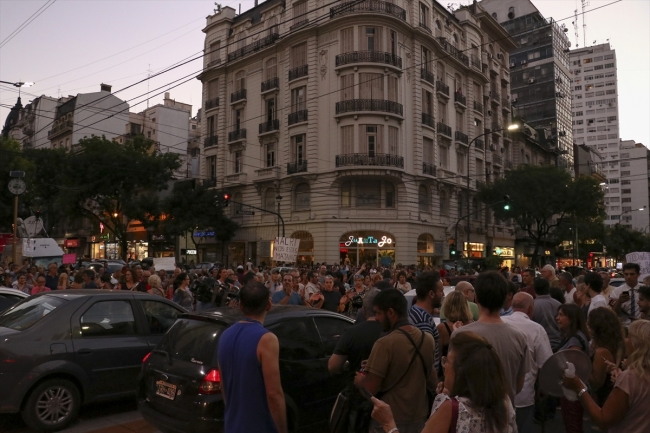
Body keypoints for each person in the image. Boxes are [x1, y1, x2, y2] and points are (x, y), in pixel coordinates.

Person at [370, 332, 517, 433]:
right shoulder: (503, 402)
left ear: (462, 373)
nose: (444, 367)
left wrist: (388, 423)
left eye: (448, 362)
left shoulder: (453, 408)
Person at [357, 289, 436, 433]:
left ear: (391, 313)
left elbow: (370, 390)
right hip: (420, 420)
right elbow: (432, 381)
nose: (376, 318)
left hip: (388, 421)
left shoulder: (384, 344)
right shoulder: (427, 339)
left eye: (379, 313)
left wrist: (360, 381)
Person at [217, 282, 287, 433]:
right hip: (258, 426)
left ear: (240, 306)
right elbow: (274, 393)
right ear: (269, 305)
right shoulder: (267, 339)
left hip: (232, 425)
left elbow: (223, 385)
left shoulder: (224, 335)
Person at [453, 271, 530, 407]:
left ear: (476, 297)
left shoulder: (460, 336)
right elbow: (518, 385)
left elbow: (453, 380)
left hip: (469, 418)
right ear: (505, 298)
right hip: (505, 416)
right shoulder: (519, 336)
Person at [562, 320, 650, 433]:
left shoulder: (630, 378)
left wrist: (579, 387)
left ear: (637, 344)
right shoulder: (635, 376)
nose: (625, 340)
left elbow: (603, 420)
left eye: (628, 337)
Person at [329, 288, 383, 432]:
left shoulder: (352, 332)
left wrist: (347, 367)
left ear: (364, 310)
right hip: (383, 399)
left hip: (357, 398)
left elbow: (333, 366)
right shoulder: (389, 332)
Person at [502, 292, 553, 432]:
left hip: (497, 395)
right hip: (523, 396)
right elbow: (547, 363)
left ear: (512, 306)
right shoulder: (536, 329)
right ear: (531, 309)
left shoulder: (499, 323)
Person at [555, 303, 590, 433]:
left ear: (572, 318)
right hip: (572, 390)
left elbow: (572, 366)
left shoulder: (575, 340)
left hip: (572, 391)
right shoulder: (574, 336)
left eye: (561, 315)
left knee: (572, 425)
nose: (557, 318)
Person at [587, 307, 625, 406]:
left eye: (589, 323)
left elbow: (597, 382)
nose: (587, 325)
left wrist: (581, 368)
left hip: (606, 398)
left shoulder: (601, 351)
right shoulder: (619, 342)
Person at [408, 271, 443, 378]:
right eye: (441, 291)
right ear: (431, 294)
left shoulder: (417, 313)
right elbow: (427, 359)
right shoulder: (422, 320)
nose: (443, 294)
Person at [436, 291, 472, 368]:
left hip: (449, 371)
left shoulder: (442, 328)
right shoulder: (473, 325)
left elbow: (438, 356)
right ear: (465, 306)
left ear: (447, 307)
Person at [532, 277, 562, 349]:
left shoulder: (532, 306)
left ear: (534, 290)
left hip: (541, 344)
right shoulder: (558, 304)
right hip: (559, 343)